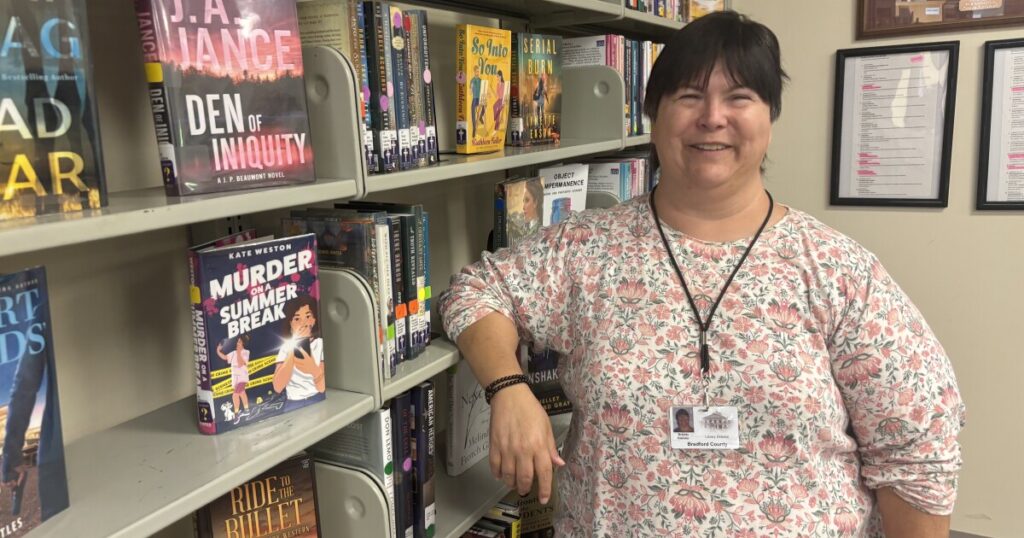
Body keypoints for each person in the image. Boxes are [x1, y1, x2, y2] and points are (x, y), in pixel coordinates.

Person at [438, 11, 964, 537]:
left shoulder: (836, 270)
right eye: (688, 96)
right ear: (653, 114)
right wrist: (508, 388)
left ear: (770, 116)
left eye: (739, 97)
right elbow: (477, 290)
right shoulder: (586, 248)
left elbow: (918, 454)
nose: (712, 117)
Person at [273, 295, 326, 411]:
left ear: (314, 319)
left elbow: (322, 388)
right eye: (297, 319)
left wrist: (313, 369)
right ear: (290, 323)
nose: (303, 322)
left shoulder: (320, 344)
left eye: (308, 316)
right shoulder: (285, 348)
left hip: (317, 398)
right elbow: (277, 386)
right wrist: (294, 345)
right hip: (293, 402)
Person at [217, 336, 251, 414]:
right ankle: (247, 410)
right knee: (242, 392)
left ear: (243, 343)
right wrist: (218, 350)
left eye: (239, 342)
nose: (237, 343)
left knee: (235, 395)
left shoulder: (246, 352)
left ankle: (236, 413)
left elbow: (240, 364)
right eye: (237, 341)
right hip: (235, 378)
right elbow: (225, 357)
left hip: (242, 377)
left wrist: (239, 352)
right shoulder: (233, 353)